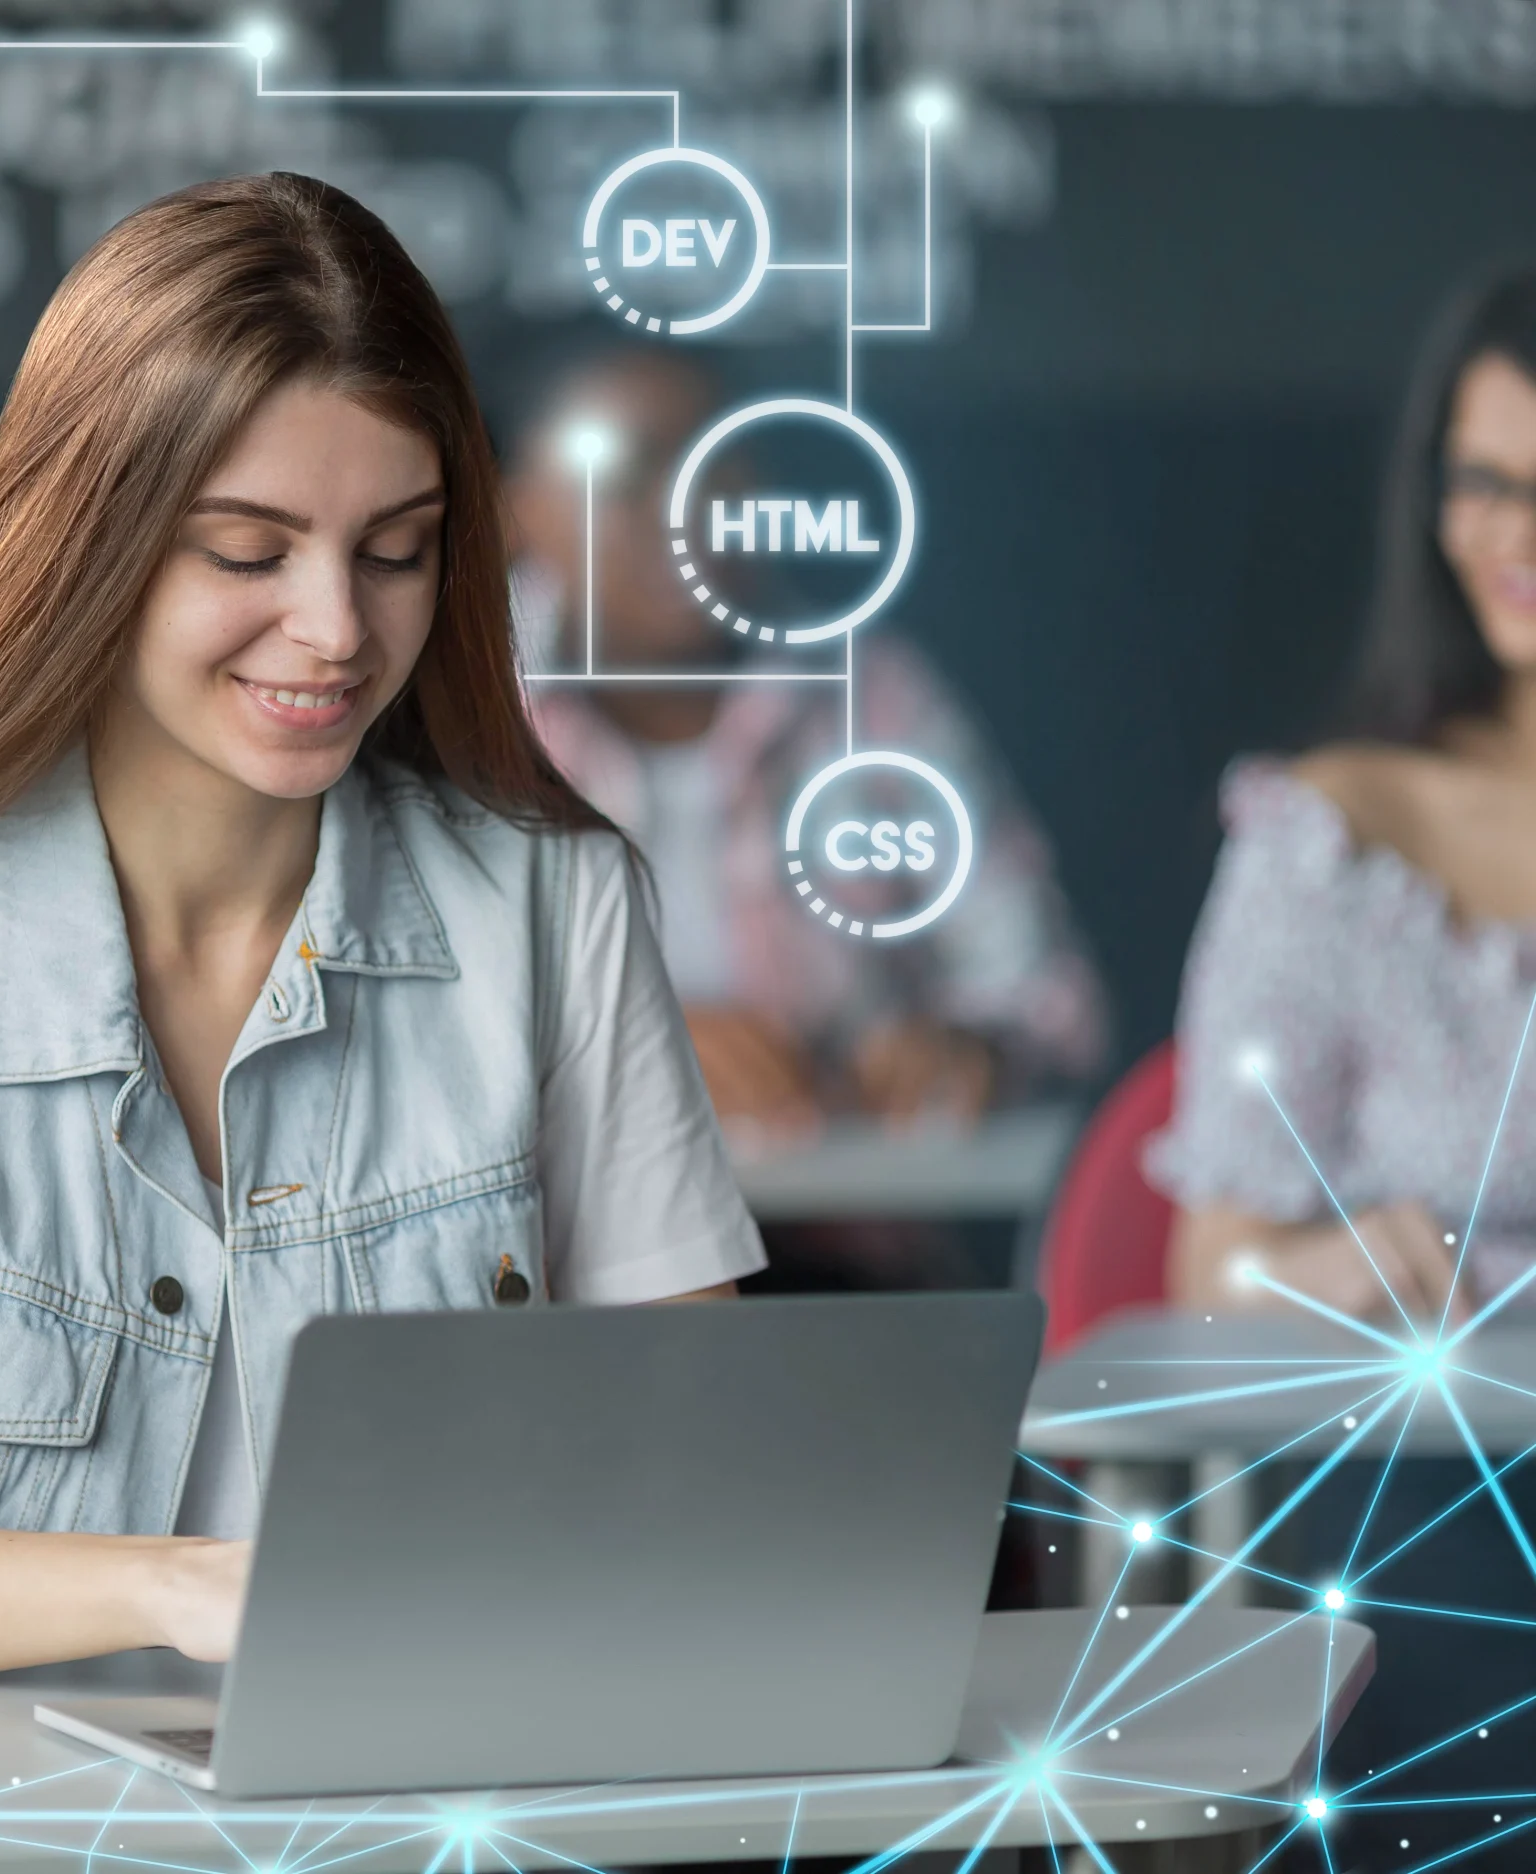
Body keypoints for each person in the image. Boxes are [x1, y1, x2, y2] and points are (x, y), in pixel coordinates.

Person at [0, 173, 766, 1679]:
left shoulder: (558, 907)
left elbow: (722, 1481)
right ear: (92, 539)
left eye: (396, 548)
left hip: (376, 1814)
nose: (337, 626)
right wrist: (177, 1589)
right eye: (249, 551)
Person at [1149, 266, 1536, 1874]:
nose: (1515, 535)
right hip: (1435, 1504)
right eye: (1487, 484)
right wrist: (1360, 1250)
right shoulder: (1334, 829)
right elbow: (1209, 1260)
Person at [507, 352, 1106, 1137]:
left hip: (846, 1237)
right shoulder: (456, 709)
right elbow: (395, 1028)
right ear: (514, 507)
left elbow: (1049, 997)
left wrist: (972, 1050)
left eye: (721, 460)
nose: (689, 507)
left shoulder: (874, 697)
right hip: (548, 1252)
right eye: (625, 470)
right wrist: (623, 1048)